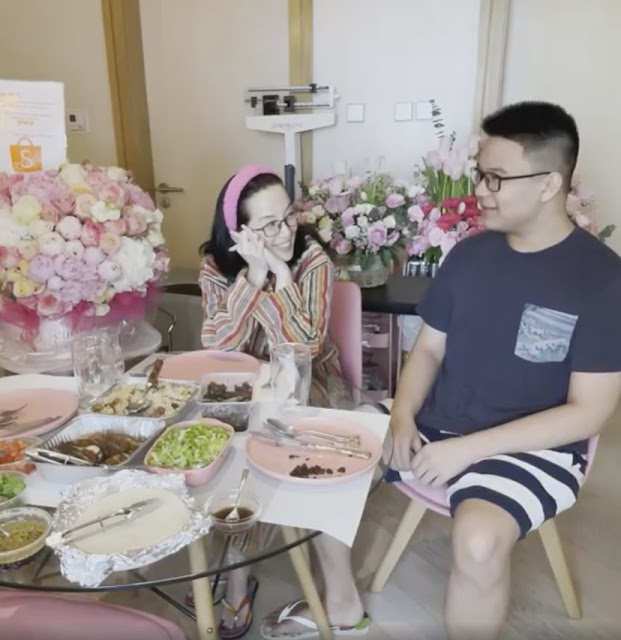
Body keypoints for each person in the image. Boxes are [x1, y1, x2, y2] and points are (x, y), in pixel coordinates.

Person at [261, 101, 621, 640]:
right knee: (314, 457)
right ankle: (341, 605)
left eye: (496, 178)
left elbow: (588, 413)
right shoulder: (469, 256)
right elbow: (427, 351)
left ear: (549, 184)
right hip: (435, 421)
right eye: (480, 174)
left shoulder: (601, 280)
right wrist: (403, 415)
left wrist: (468, 449)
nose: (480, 191)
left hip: (532, 447)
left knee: (478, 541)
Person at [196, 164, 364, 638]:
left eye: (289, 216)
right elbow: (219, 344)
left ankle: (253, 581)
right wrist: (253, 275)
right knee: (220, 454)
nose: (287, 231)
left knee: (303, 454)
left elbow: (306, 345)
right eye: (269, 225)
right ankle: (235, 575)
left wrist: (281, 275)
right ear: (240, 232)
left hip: (312, 384)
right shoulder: (216, 265)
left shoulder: (313, 259)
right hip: (244, 386)